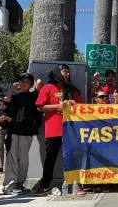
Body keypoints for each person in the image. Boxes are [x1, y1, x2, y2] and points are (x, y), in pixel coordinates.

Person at [34, 64, 86, 196]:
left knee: (74, 157)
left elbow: (82, 107)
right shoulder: (47, 88)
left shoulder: (72, 89)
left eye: (68, 72)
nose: (66, 74)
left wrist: (74, 105)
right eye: (64, 71)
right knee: (50, 158)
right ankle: (44, 185)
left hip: (70, 129)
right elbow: (40, 107)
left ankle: (76, 184)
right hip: (53, 128)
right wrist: (57, 106)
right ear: (57, 72)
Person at [2, 73, 43, 195]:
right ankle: (9, 184)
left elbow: (40, 82)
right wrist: (13, 87)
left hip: (28, 130)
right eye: (22, 81)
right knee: (13, 157)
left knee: (24, 158)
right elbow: (6, 99)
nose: (24, 83)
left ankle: (19, 183)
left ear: (31, 84)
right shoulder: (14, 96)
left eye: (27, 81)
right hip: (14, 129)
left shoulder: (34, 95)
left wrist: (34, 78)